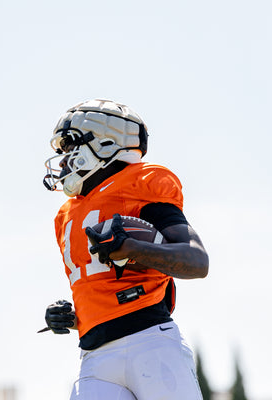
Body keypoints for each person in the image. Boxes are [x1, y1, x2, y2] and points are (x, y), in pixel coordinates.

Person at [41, 99, 209, 400]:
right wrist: (73, 315)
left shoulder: (141, 183)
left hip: (151, 343)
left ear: (105, 143)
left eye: (70, 147)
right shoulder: (66, 214)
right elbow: (103, 287)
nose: (64, 160)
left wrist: (133, 248)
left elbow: (197, 261)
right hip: (94, 355)